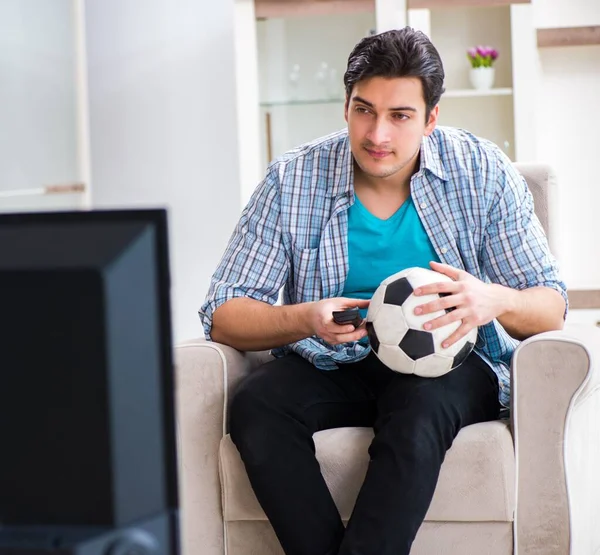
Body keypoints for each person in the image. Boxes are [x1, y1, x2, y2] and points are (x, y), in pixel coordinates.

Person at [199, 27, 567, 555]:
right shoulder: (291, 180)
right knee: (257, 406)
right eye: (364, 110)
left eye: (400, 116)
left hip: (450, 365)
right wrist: (305, 317)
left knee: (418, 411)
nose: (378, 134)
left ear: (431, 118)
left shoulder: (483, 171)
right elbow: (222, 314)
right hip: (334, 359)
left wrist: (494, 299)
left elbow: (550, 304)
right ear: (345, 106)